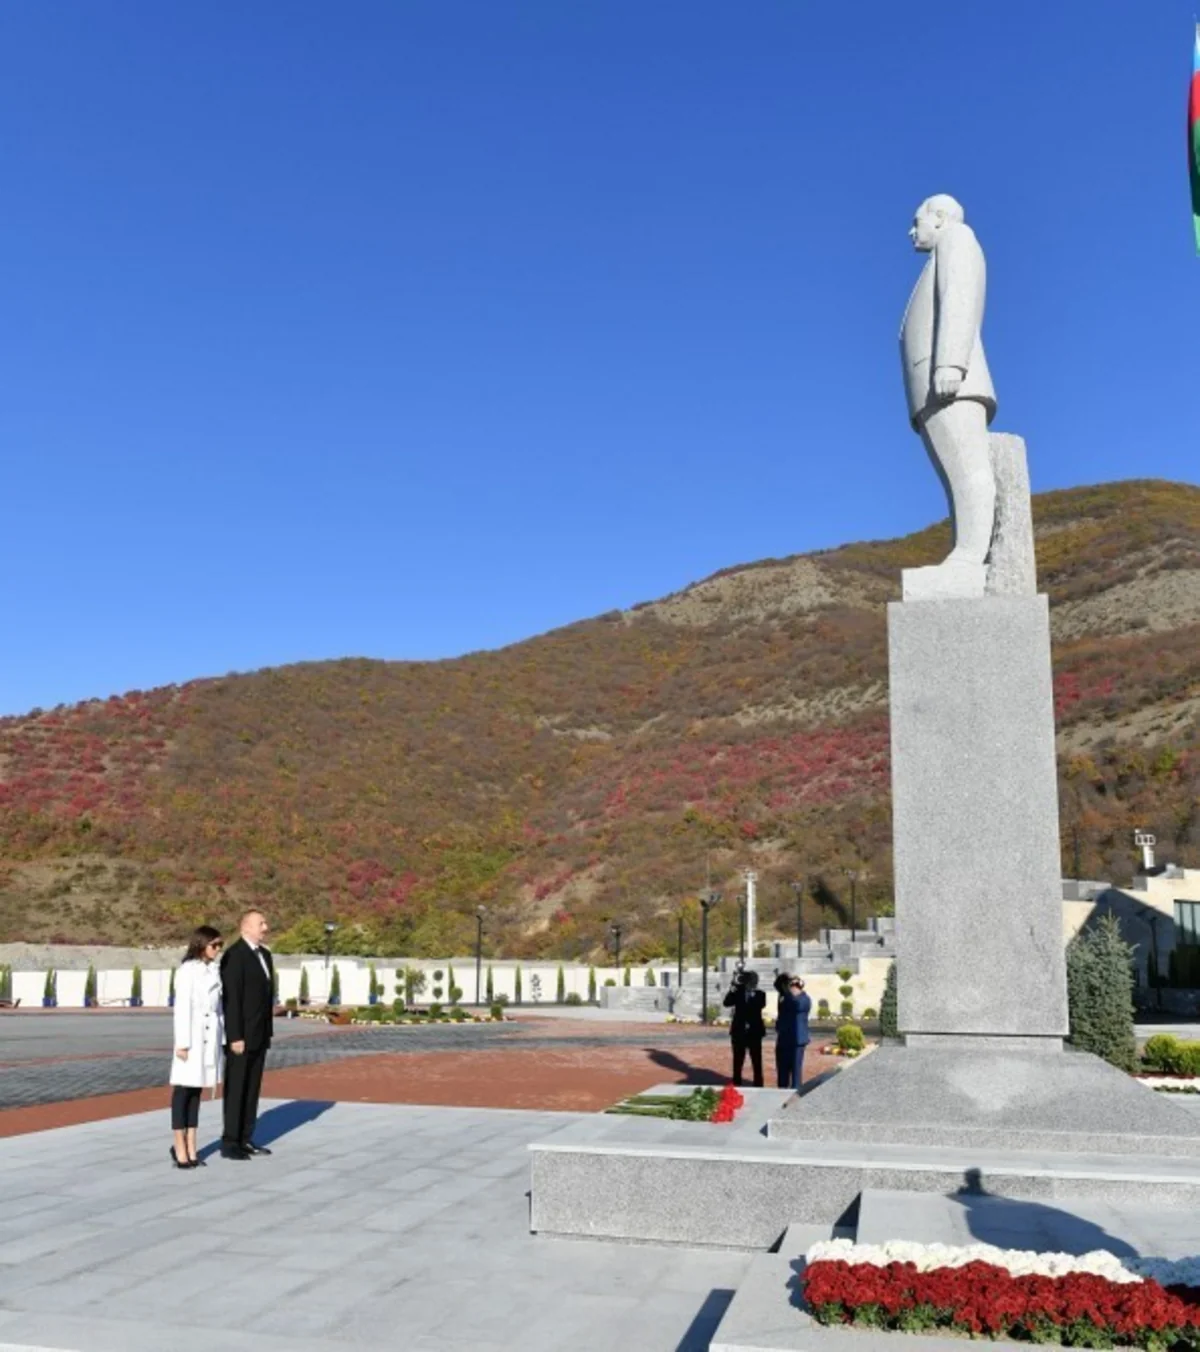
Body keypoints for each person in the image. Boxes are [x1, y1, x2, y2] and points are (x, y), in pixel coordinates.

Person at [219, 908, 275, 1160]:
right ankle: (230, 1142)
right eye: (261, 923)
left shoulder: (265, 955)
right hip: (240, 1037)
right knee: (236, 1089)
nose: (265, 927)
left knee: (252, 1089)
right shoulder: (234, 955)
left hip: (260, 1034)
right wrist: (235, 1036)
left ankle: (245, 1138)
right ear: (246, 927)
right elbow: (231, 1000)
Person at [168, 925, 224, 1169]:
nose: (218, 949)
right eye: (214, 945)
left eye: (220, 945)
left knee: (196, 1091)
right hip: (191, 1038)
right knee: (183, 1091)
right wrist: (182, 1043)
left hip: (208, 1038)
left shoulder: (215, 970)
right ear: (201, 944)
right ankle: (179, 1144)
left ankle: (192, 1143)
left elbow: (219, 1009)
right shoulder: (187, 971)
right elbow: (182, 1008)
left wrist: (222, 1038)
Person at [722, 968, 765, 1088]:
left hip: (754, 1032)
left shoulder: (760, 994)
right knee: (737, 1061)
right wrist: (733, 986)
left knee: (756, 1061)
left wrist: (750, 993)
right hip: (738, 1031)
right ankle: (737, 1083)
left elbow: (758, 1006)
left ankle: (758, 1084)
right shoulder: (737, 992)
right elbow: (726, 1003)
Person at [779, 976, 812, 1094]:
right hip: (785, 1037)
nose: (792, 989)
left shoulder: (805, 999)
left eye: (794, 986)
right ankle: (782, 1092)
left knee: (796, 1069)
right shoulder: (786, 998)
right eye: (791, 986)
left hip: (798, 1039)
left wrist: (787, 995)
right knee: (783, 1069)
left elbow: (797, 1006)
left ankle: (796, 1091)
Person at [773, 972, 796, 1089]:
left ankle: (787, 1087)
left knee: (789, 1066)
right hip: (784, 1034)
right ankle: (782, 1086)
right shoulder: (782, 996)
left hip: (790, 1034)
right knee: (782, 1066)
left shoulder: (791, 997)